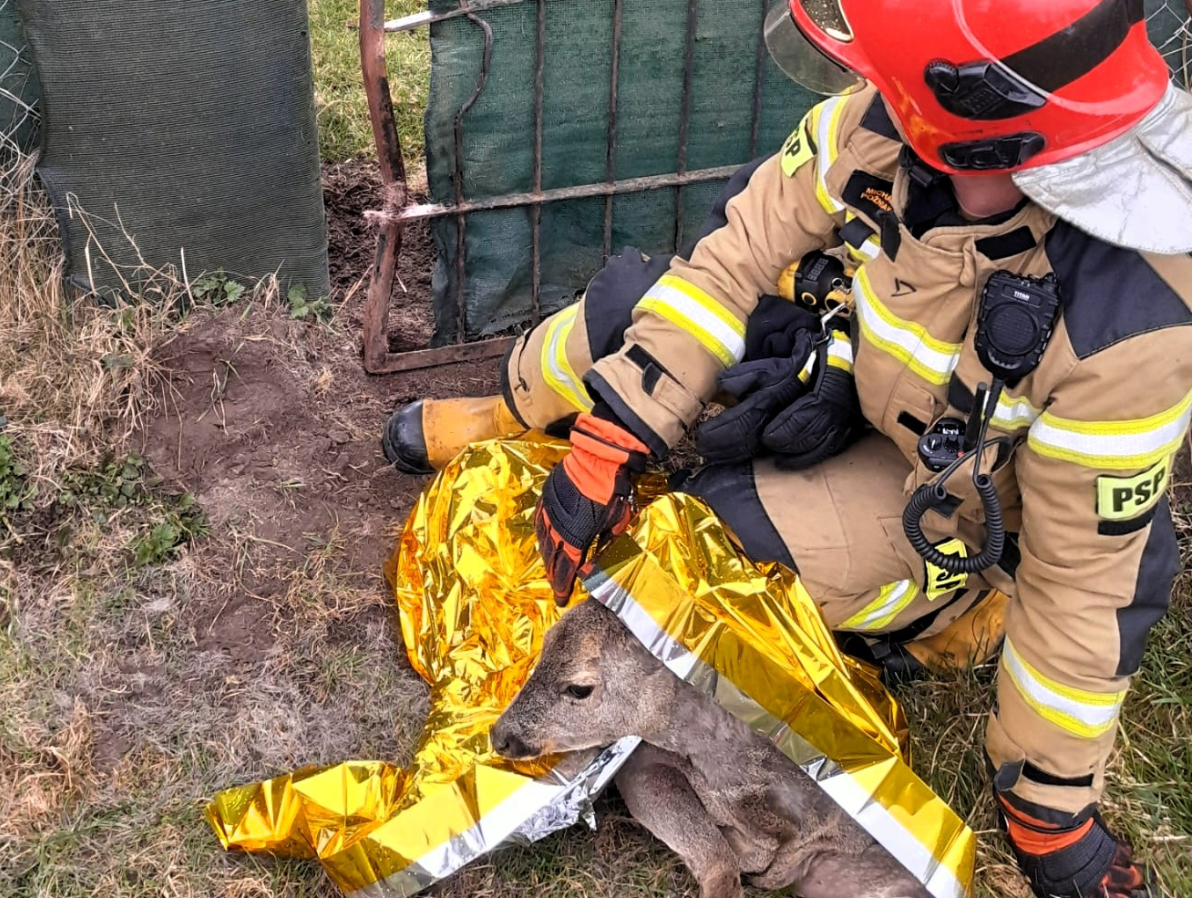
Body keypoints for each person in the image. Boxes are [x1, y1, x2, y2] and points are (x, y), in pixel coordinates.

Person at [382, 2, 1192, 896]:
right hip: (848, 373)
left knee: (717, 554)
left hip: (951, 501)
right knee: (638, 309)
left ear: (1000, 138)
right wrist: (621, 431)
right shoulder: (884, 126)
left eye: (901, 100)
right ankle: (508, 408)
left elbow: (1085, 582)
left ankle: (945, 621)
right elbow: (728, 263)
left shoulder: (1134, 321)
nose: (873, 105)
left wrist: (1050, 804)